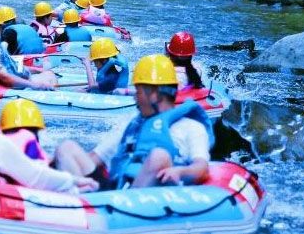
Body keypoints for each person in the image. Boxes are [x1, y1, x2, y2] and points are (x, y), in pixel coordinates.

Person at [54, 54, 212, 190]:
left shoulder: (191, 128)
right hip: (114, 189)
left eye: (139, 92)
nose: (135, 98)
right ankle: (79, 203)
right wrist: (52, 166)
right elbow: (95, 158)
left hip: (145, 198)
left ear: (155, 95)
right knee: (66, 148)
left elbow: (202, 168)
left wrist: (179, 172)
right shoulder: (132, 124)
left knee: (159, 157)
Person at [0, 7, 57, 90]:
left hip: (16, 78)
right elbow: (4, 76)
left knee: (48, 73)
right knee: (49, 76)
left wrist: (37, 70)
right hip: (11, 86)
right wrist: (34, 85)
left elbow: (12, 67)